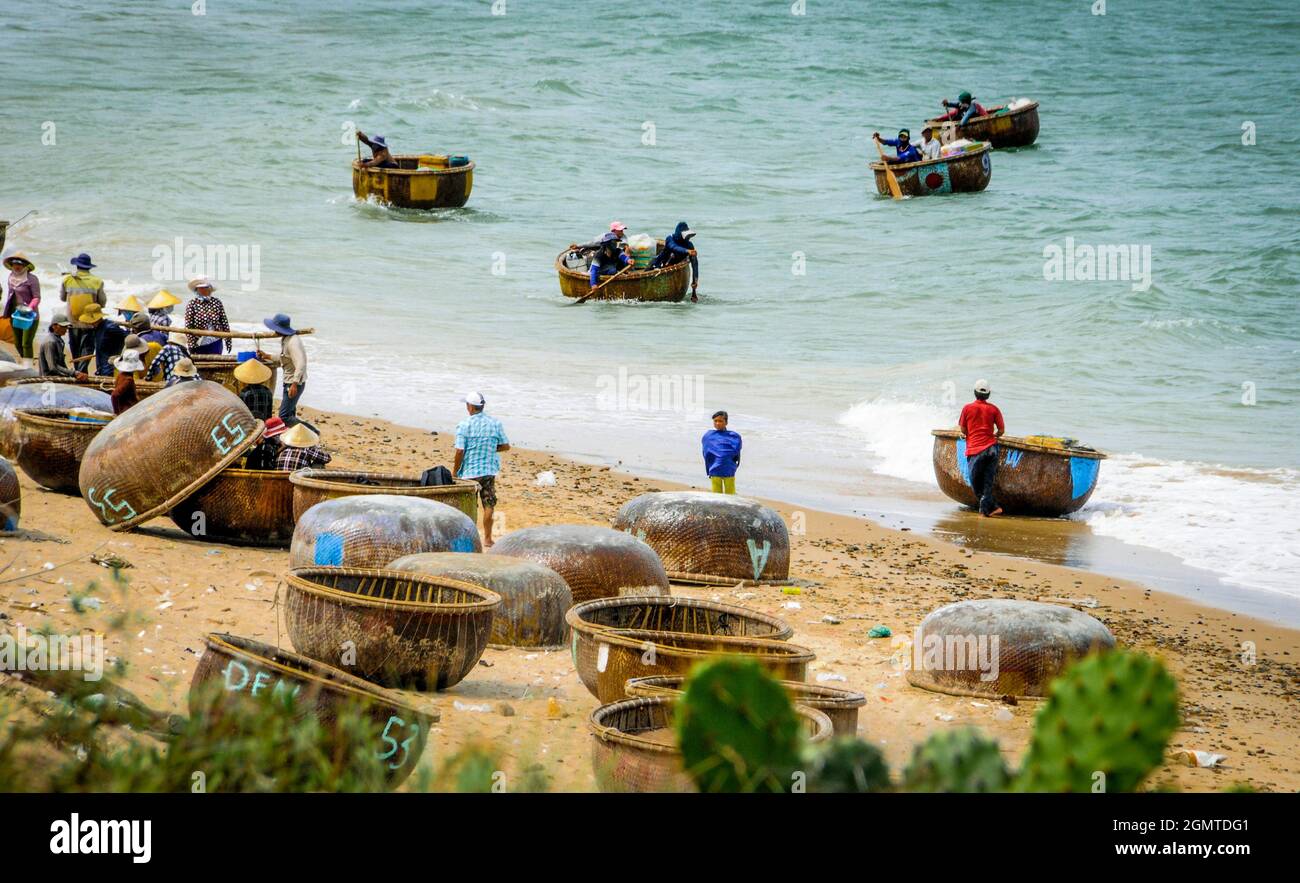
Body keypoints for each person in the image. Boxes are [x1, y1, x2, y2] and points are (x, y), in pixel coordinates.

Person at [453, 392, 510, 547]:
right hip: (488, 471)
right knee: (489, 504)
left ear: (470, 407)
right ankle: (488, 539)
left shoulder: (464, 425)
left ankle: (469, 537)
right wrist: (490, 448)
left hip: (469, 473)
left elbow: (459, 451)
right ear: (482, 406)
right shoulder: (495, 423)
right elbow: (506, 446)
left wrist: (455, 472)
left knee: (469, 506)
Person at [958, 379, 1005, 517]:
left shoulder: (967, 408)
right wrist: (994, 436)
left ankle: (986, 511)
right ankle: (993, 508)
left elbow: (963, 429)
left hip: (975, 450)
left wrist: (970, 435)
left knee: (975, 482)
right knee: (987, 481)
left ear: (974, 393)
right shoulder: (994, 409)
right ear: (988, 395)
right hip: (991, 449)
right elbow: (1001, 430)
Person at [263, 313, 315, 430]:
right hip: (290, 382)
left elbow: (301, 363)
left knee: (284, 416)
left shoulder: (293, 342)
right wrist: (267, 356)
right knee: (290, 414)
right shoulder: (286, 339)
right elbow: (284, 358)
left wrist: (294, 383)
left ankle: (313, 432)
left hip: (293, 383)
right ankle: (299, 438)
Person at [60, 253, 106, 363]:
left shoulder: (67, 280)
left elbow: (62, 298)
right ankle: (82, 371)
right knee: (87, 348)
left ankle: (77, 372)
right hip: (90, 322)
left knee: (75, 348)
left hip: (73, 321)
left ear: (76, 266)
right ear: (89, 267)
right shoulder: (97, 281)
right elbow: (102, 303)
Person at [3, 252, 41, 365]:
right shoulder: (11, 277)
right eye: (14, 263)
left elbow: (37, 297)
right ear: (11, 264)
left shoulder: (32, 279)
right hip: (15, 314)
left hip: (29, 316)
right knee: (17, 343)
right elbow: (10, 296)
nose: (17, 266)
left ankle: (27, 366)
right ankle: (26, 361)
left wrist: (29, 308)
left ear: (25, 265)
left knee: (26, 343)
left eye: (20, 263)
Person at [650, 221, 700, 301]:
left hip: (672, 267)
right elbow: (674, 247)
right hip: (657, 266)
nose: (688, 238)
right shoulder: (670, 239)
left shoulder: (689, 245)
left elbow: (695, 264)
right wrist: (687, 251)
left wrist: (695, 283)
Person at [79, 303, 129, 377]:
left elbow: (128, 338)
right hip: (101, 368)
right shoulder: (96, 329)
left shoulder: (110, 327)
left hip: (111, 368)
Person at [184, 277, 231, 355]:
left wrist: (228, 340)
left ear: (210, 289)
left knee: (215, 364)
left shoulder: (217, 302)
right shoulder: (192, 304)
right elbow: (188, 326)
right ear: (197, 289)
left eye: (206, 287)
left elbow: (224, 322)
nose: (204, 290)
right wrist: (191, 344)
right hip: (198, 342)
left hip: (216, 341)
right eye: (201, 288)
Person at [37, 310, 89, 381]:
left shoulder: (58, 340)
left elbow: (60, 364)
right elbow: (53, 367)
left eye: (66, 326)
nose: (66, 329)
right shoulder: (50, 342)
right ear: (54, 326)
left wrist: (72, 374)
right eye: (63, 326)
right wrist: (74, 373)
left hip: (57, 377)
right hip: (49, 380)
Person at [701, 410, 742, 494]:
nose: (717, 423)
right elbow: (706, 453)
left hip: (729, 468)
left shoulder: (734, 436)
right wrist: (709, 467)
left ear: (726, 422)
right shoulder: (708, 435)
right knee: (716, 495)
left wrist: (735, 464)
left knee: (730, 494)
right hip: (715, 469)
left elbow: (737, 452)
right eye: (715, 421)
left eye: (720, 421)